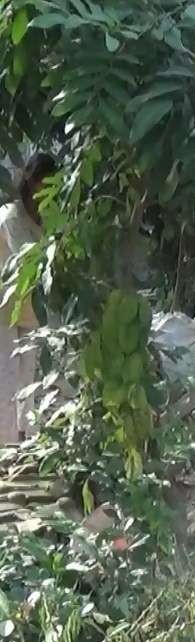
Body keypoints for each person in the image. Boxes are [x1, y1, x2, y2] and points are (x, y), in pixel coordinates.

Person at [0, 153, 56, 445]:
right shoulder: (11, 217)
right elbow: (27, 258)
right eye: (42, 183)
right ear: (31, 182)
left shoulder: (46, 215)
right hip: (4, 304)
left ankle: (26, 438)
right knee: (6, 376)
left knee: (29, 374)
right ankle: (6, 445)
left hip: (29, 304)